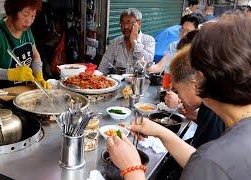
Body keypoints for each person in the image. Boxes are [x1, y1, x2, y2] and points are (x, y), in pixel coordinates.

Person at [107, 14, 251, 180]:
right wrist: (162, 132)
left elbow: (207, 164)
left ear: (198, 78)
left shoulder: (212, 161)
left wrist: (131, 169)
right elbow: (199, 161)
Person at [157, 45, 226, 180]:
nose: (179, 96)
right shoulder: (210, 105)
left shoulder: (214, 113)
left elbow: (202, 167)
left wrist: (160, 132)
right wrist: (192, 115)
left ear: (194, 84)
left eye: (177, 90)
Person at [0, 0, 51, 93]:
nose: (29, 21)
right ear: (12, 11)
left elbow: (35, 56)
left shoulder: (26, 30)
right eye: (25, 14)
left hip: (21, 91)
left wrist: (39, 75)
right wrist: (11, 74)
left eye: (33, 16)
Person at [98, 8, 155, 75]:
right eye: (122, 23)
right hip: (119, 83)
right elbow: (103, 66)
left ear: (139, 24)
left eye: (129, 22)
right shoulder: (116, 42)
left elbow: (148, 61)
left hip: (139, 83)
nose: (125, 27)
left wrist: (134, 42)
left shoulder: (148, 40)